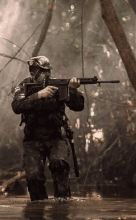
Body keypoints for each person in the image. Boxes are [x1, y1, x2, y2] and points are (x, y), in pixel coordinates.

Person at [11, 56, 84, 202]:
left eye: (46, 71)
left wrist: (73, 91)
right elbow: (17, 106)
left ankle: (62, 207)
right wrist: (38, 95)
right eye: (41, 71)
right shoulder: (24, 85)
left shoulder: (59, 85)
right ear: (33, 73)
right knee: (33, 176)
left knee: (60, 164)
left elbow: (78, 106)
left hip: (56, 135)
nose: (46, 75)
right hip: (33, 138)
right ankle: (38, 209)